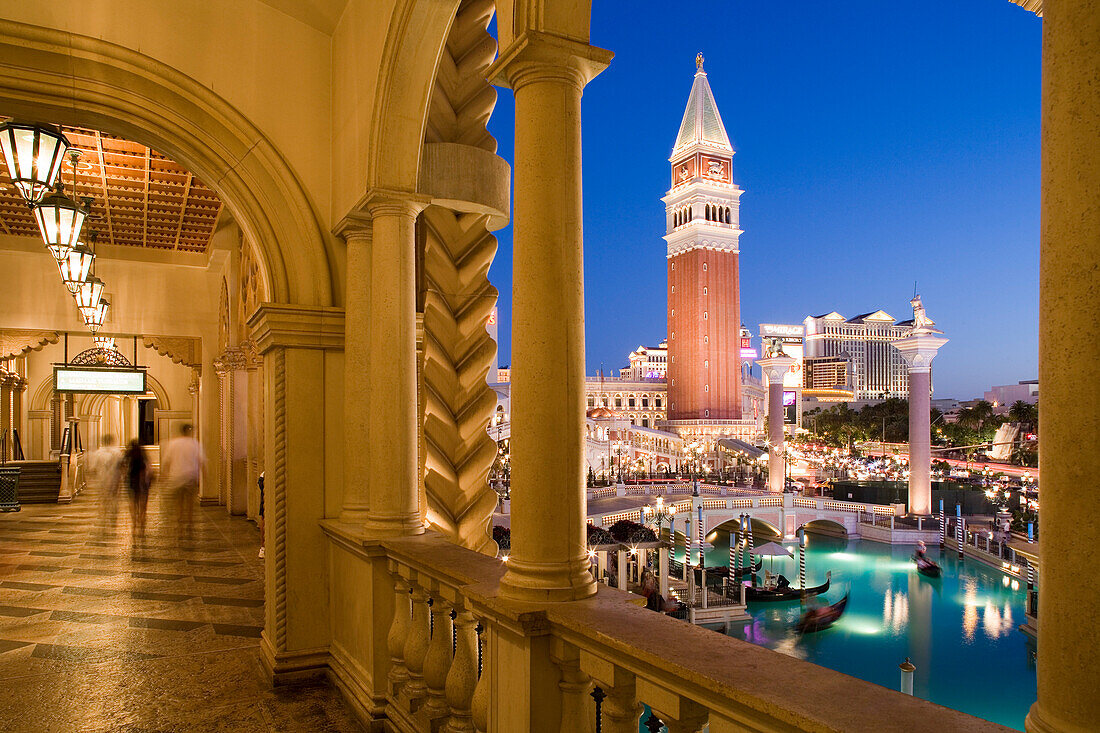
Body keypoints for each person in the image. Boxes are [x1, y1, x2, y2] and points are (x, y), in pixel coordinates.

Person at [161, 424, 206, 538]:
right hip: (191, 477)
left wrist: (164, 475)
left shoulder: (174, 443)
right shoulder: (194, 444)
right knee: (190, 502)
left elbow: (166, 461)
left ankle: (179, 522)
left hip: (177, 477)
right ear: (189, 432)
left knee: (179, 502)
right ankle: (190, 523)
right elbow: (202, 461)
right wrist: (204, 476)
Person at [88, 434, 122, 531]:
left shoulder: (98, 453)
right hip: (114, 480)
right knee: (114, 500)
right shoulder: (117, 452)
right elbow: (122, 467)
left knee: (104, 500)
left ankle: (104, 517)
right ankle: (113, 518)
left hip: (102, 480)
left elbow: (92, 469)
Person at [123, 440, 151, 540]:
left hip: (132, 482)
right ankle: (141, 520)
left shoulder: (129, 455)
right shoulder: (143, 456)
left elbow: (123, 466)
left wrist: (125, 475)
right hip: (142, 483)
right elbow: (147, 470)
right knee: (143, 504)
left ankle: (134, 523)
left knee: (133, 502)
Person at [257, 471, 265, 559]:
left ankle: (263, 548)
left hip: (263, 476)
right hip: (265, 478)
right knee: (264, 515)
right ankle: (263, 547)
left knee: (264, 515)